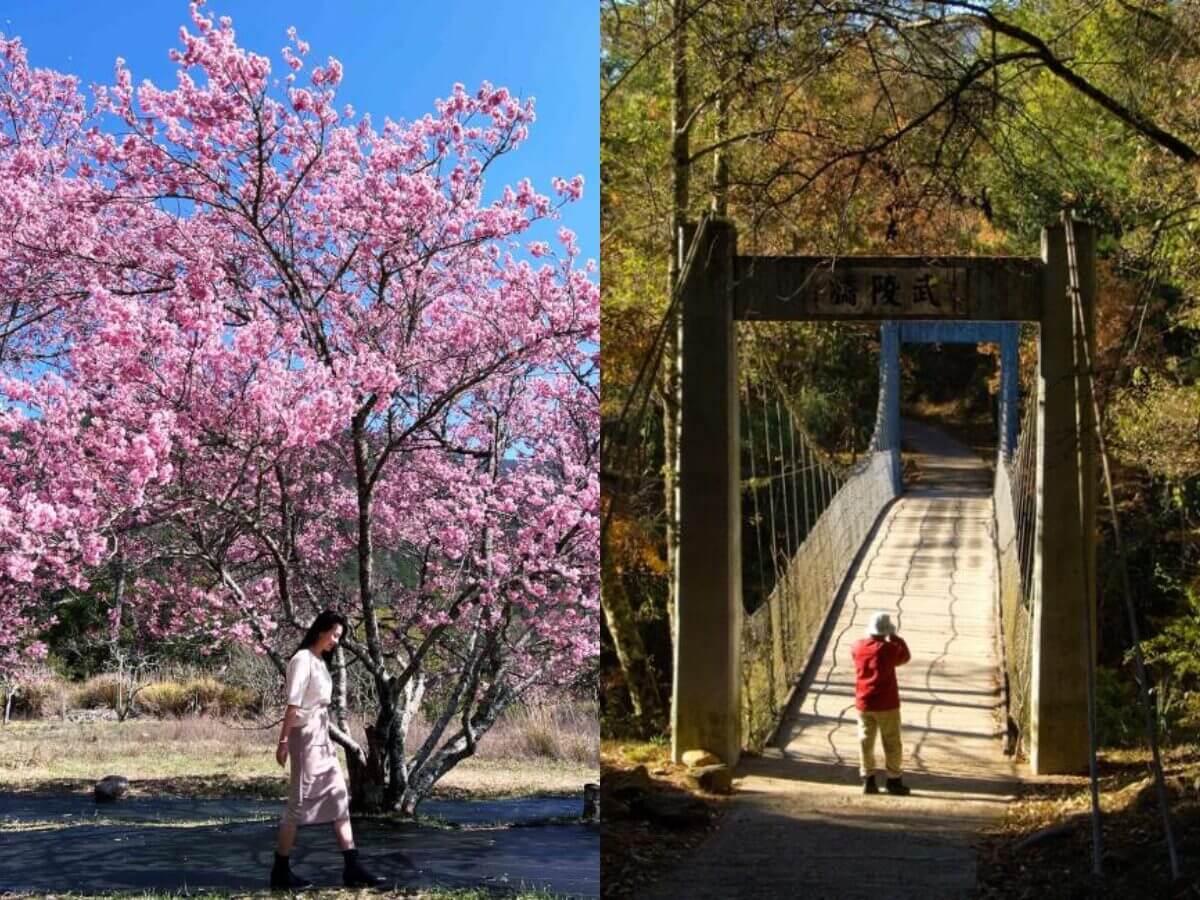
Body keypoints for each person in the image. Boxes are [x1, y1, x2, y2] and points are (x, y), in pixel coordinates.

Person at [270, 609, 387, 890]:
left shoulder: (321, 661)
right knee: (298, 803)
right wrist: (283, 742)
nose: (336, 641)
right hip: (304, 736)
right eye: (334, 634)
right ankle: (280, 871)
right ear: (321, 630)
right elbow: (293, 704)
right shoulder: (302, 660)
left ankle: (352, 866)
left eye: (339, 637)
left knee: (338, 796)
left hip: (321, 735)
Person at [850, 611, 912, 796]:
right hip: (887, 704)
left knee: (865, 741)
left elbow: (855, 657)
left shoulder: (857, 646)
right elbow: (905, 657)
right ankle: (894, 780)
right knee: (892, 741)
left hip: (864, 702)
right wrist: (896, 638)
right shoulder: (890, 649)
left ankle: (868, 780)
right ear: (886, 631)